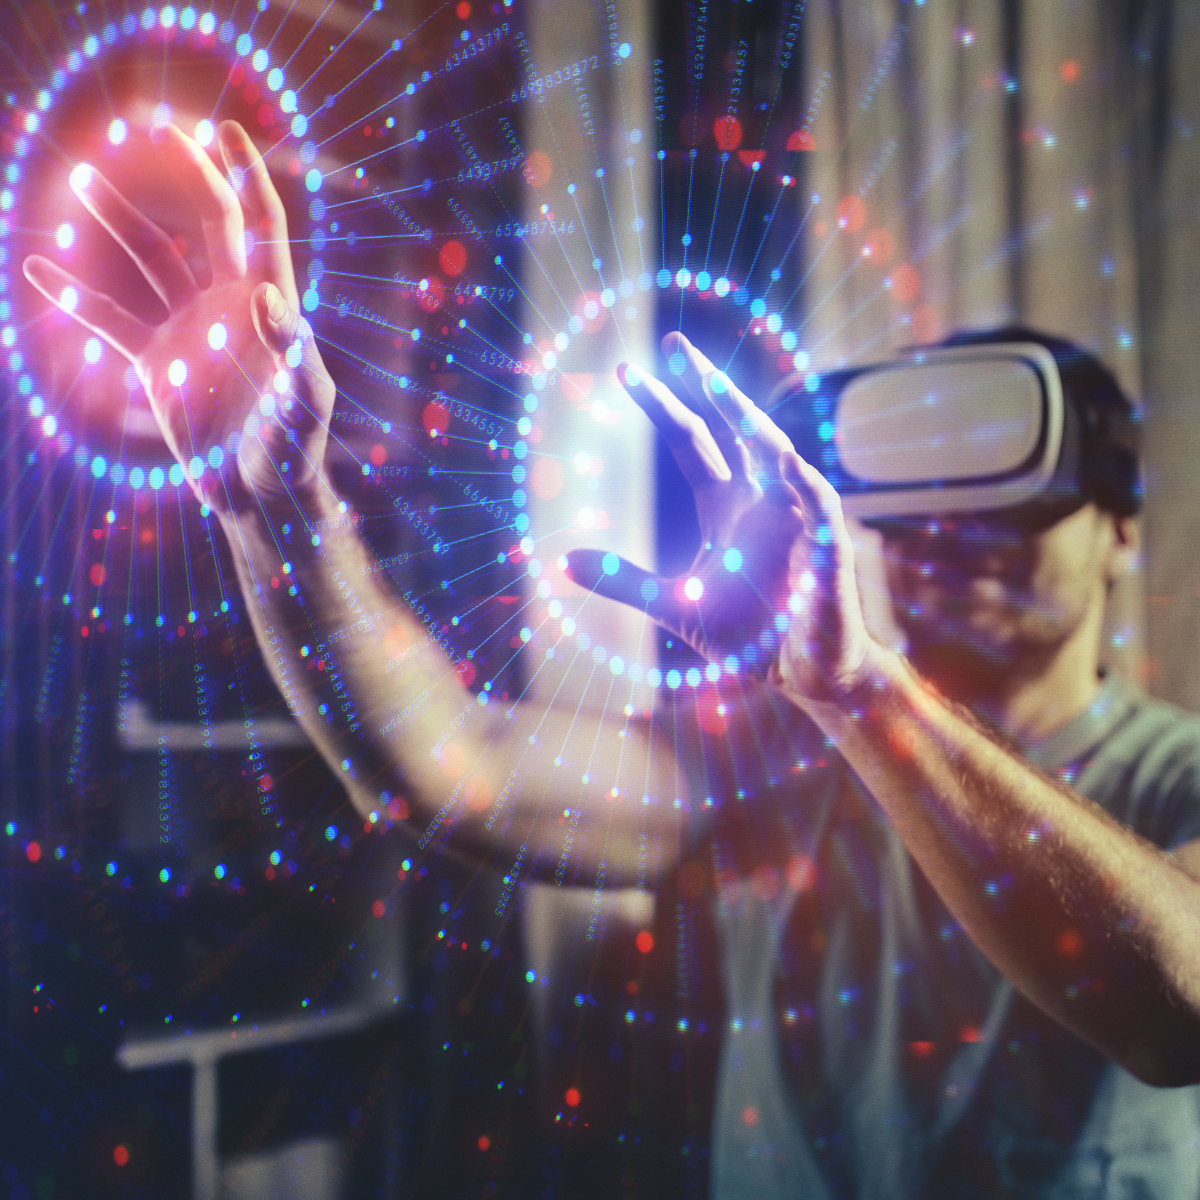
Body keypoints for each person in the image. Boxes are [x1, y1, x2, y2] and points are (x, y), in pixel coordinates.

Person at [24, 120, 1200, 1198]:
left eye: (1014, 510)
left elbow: (1179, 1006)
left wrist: (863, 691)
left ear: (1121, 530)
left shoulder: (1173, 779)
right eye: (929, 513)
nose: (960, 545)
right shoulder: (791, 769)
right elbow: (441, 770)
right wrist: (272, 510)